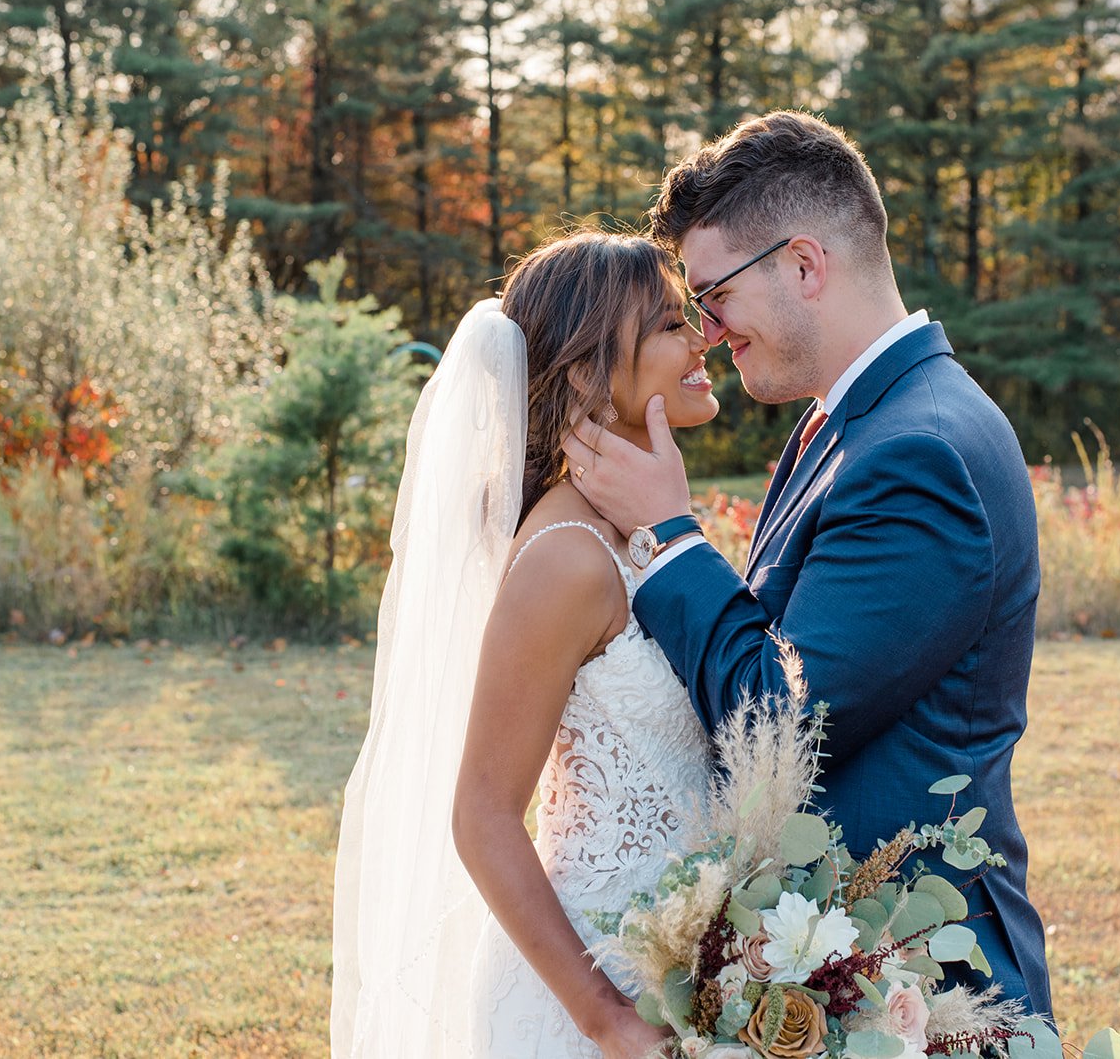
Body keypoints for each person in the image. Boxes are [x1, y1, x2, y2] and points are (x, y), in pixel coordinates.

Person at [564, 111, 1054, 1020]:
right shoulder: (845, 423)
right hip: (833, 969)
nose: (708, 331)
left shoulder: (919, 452)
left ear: (803, 264)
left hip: (915, 985)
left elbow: (780, 724)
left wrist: (671, 535)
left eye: (715, 296)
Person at [330, 231, 721, 1058]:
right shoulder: (567, 558)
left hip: (687, 963)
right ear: (585, 375)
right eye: (669, 325)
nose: (702, 339)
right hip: (598, 986)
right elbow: (482, 815)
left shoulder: (638, 527)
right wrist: (606, 1017)